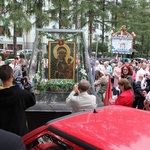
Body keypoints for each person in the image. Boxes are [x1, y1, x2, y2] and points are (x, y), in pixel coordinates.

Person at [0, 65, 36, 136]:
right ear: (12, 75)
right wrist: (27, 86)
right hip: (18, 134)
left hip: (2, 135)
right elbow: (32, 100)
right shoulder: (20, 93)